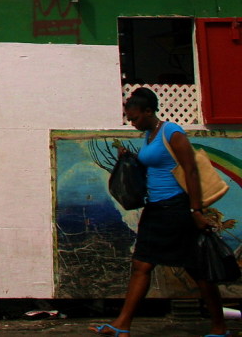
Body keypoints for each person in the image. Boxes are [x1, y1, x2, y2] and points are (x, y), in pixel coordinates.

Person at [91, 87, 228, 337]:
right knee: (142, 265)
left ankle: (219, 327)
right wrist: (129, 157)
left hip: (176, 209)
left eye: (135, 118)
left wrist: (196, 210)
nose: (132, 123)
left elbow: (191, 171)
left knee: (197, 269)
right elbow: (154, 167)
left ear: (149, 111)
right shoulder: (149, 135)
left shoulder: (171, 132)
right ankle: (122, 324)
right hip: (155, 209)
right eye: (130, 119)